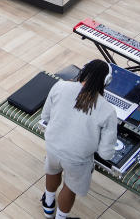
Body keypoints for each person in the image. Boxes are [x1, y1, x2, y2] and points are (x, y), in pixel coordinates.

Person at [40, 60, 117, 219]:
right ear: (106, 81)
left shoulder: (60, 86)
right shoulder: (108, 110)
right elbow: (105, 154)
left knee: (52, 170)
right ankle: (60, 218)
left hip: (53, 147)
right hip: (77, 160)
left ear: (83, 71)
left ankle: (48, 206)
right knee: (70, 186)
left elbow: (45, 116)